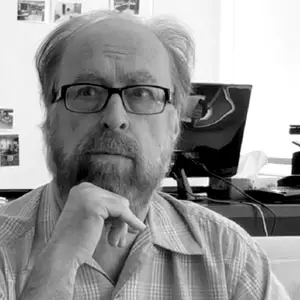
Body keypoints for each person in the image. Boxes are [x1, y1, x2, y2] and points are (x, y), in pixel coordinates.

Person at [0, 10, 290, 300]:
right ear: (50, 116)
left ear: (175, 124)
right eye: (86, 91)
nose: (115, 118)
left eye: (143, 93)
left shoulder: (231, 257)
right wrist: (54, 269)